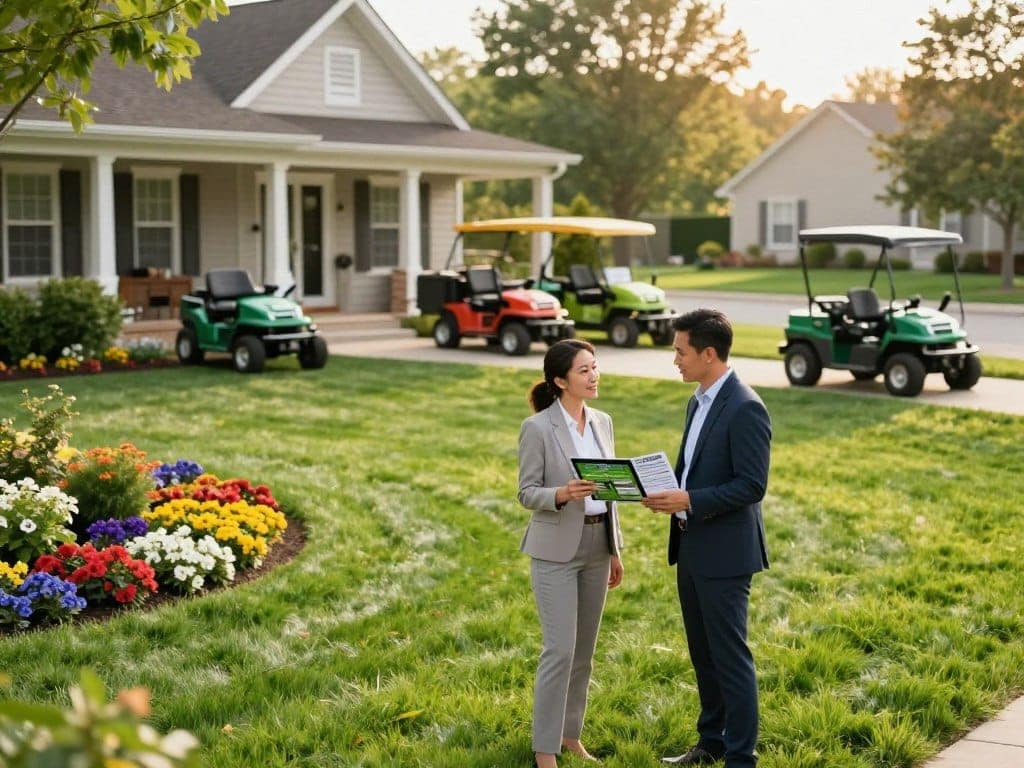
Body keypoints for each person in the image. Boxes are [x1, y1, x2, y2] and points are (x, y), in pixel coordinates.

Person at [642, 309, 771, 768]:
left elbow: (752, 485)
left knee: (730, 657)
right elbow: (693, 468)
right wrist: (659, 487)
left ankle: (741, 757)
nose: (675, 359)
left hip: (726, 553)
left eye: (681, 351)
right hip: (691, 546)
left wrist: (687, 499)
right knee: (703, 654)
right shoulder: (697, 400)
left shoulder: (746, 407)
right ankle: (711, 741)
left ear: (709, 353)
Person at [518, 338, 625, 768]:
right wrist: (562, 493)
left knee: (583, 652)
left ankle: (569, 736)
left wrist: (615, 550)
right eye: (584, 370)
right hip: (555, 551)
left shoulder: (603, 422)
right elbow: (526, 493)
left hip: (598, 546)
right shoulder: (538, 428)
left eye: (595, 367)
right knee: (559, 650)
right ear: (560, 380)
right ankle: (544, 750)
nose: (594, 375)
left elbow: (612, 492)